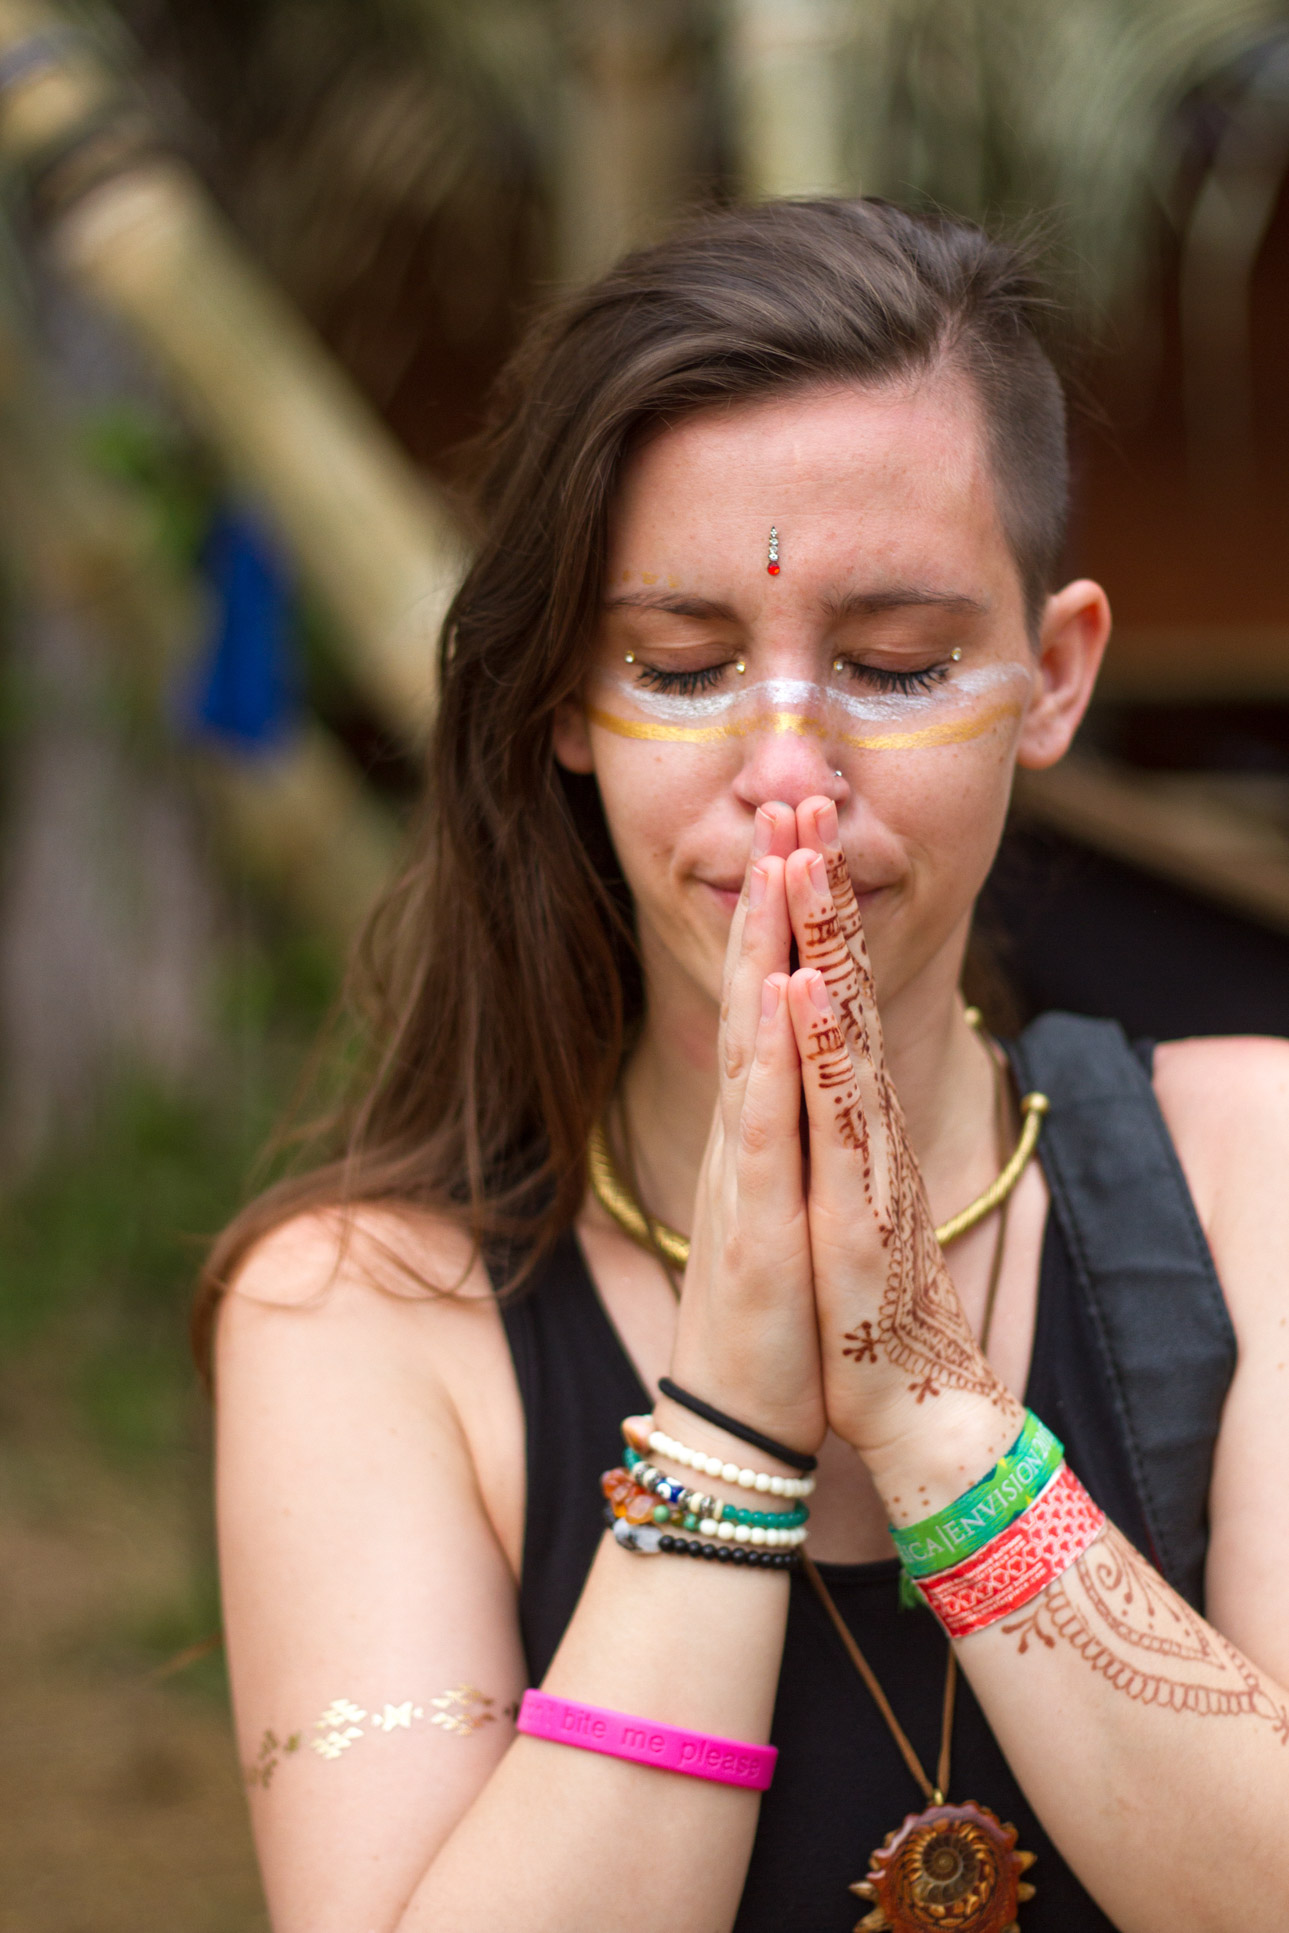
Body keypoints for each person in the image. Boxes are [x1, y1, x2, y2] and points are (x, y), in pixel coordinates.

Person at [199, 199, 1289, 1933]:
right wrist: (722, 1438)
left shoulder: (1258, 1177)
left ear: (1052, 675)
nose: (788, 773)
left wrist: (931, 1417)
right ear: (567, 694)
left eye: (894, 665)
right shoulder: (359, 1317)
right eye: (685, 670)